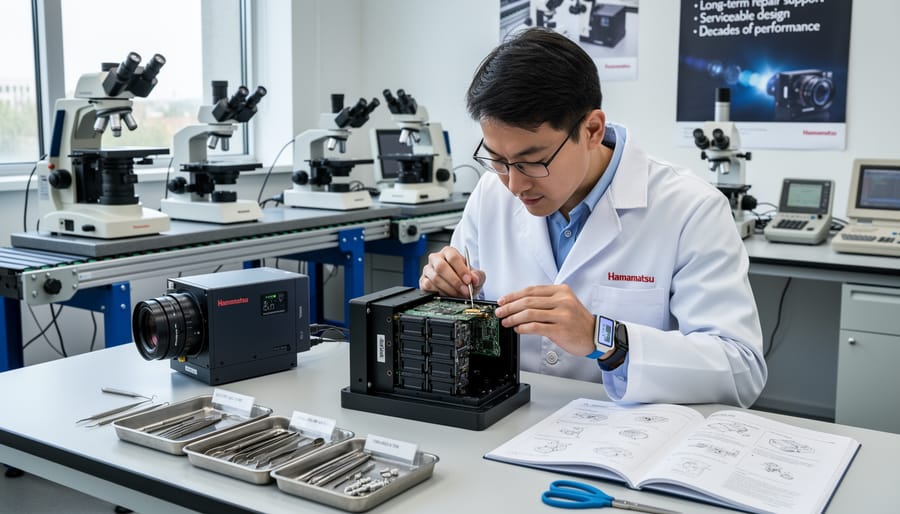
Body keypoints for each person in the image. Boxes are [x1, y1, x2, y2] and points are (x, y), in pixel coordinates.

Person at [419, 28, 767, 408]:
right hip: (507, 419)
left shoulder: (690, 208)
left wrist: (604, 338)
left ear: (592, 130)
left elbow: (741, 369)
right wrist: (444, 292)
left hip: (629, 437)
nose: (514, 185)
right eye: (498, 160)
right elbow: (462, 315)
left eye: (533, 162)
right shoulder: (490, 194)